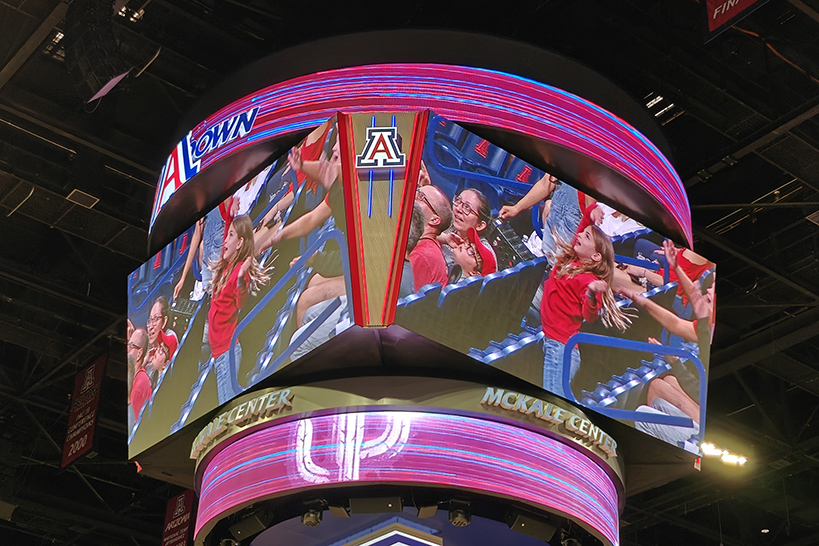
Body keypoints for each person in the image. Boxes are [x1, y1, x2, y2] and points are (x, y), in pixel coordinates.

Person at [541, 221, 631, 398]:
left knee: (552, 406)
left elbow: (589, 316)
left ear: (597, 256)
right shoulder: (569, 260)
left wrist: (591, 294)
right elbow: (580, 231)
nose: (580, 235)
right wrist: (591, 212)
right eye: (582, 233)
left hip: (561, 351)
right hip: (553, 345)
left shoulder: (588, 281)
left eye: (586, 235)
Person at [207, 215, 270, 403]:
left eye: (230, 236)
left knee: (228, 407)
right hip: (219, 354)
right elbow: (228, 227)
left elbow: (241, 302)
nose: (225, 241)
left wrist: (242, 280)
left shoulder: (239, 271)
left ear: (240, 243)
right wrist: (228, 211)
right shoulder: (225, 268)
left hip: (228, 352)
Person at [440, 188, 497, 272]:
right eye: (458, 200)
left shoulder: (483, 254)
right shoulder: (448, 223)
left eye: (467, 208)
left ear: (480, 225)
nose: (458, 209)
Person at [409, 185, 453, 291]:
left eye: (421, 197)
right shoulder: (426, 247)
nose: (413, 196)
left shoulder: (421, 255)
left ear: (434, 220)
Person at [145, 296, 179, 377]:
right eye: (150, 320)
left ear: (164, 321)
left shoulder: (170, 337)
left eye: (156, 319)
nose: (151, 326)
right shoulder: (147, 344)